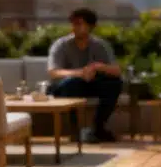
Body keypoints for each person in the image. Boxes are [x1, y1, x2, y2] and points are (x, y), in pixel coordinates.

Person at [47, 8, 123, 143]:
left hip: (91, 84)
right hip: (66, 86)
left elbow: (117, 71)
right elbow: (53, 72)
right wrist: (80, 73)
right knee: (72, 83)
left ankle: (98, 128)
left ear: (90, 26)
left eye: (79, 24)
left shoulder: (100, 45)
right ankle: (75, 130)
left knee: (114, 83)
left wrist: (98, 67)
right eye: (73, 23)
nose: (74, 27)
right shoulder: (61, 45)